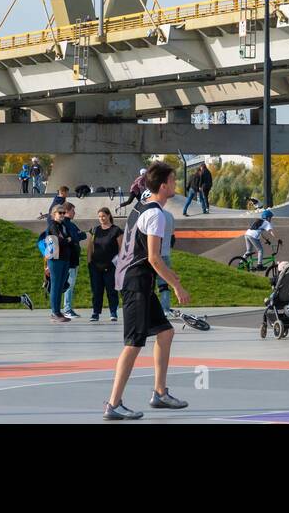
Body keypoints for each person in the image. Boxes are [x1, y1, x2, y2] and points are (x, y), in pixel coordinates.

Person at [104, 160, 191, 420]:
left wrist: (166, 274)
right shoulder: (156, 215)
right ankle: (113, 404)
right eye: (173, 181)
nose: (176, 184)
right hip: (136, 284)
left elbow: (141, 253)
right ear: (163, 186)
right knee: (132, 344)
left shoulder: (142, 207)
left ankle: (160, 392)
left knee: (165, 332)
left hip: (137, 280)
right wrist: (177, 286)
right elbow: (153, 257)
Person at [89, 207, 122, 322]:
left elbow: (121, 248)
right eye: (99, 216)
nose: (101, 218)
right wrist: (89, 261)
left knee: (111, 290)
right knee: (96, 290)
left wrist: (120, 264)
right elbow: (90, 247)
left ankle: (113, 312)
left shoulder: (116, 230)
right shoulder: (95, 230)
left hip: (111, 266)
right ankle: (95, 312)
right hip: (95, 265)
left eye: (103, 216)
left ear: (108, 216)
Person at [44, 204, 75, 322]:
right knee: (56, 286)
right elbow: (60, 239)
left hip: (64, 258)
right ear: (54, 214)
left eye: (63, 212)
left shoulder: (63, 225)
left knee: (61, 285)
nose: (62, 215)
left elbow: (71, 238)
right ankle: (55, 312)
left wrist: (67, 239)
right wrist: (67, 239)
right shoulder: (53, 225)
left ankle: (57, 311)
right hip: (55, 259)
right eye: (60, 213)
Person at [62, 201, 87, 318]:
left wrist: (75, 236)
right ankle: (67, 309)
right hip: (69, 259)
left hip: (74, 259)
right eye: (73, 210)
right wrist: (75, 236)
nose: (74, 213)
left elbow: (82, 235)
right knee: (69, 285)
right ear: (67, 211)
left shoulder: (71, 224)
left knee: (70, 285)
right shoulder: (65, 224)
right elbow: (75, 236)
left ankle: (68, 308)